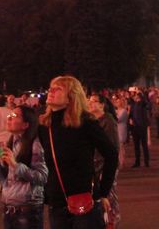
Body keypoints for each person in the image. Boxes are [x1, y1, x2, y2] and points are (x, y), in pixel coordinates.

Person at [39, 75, 118, 229]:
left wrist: (103, 191)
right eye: (51, 88)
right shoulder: (44, 125)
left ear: (71, 97)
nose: (51, 91)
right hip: (56, 202)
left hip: (84, 199)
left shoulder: (85, 122)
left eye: (58, 89)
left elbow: (111, 154)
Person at [0, 105, 47, 229]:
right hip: (9, 207)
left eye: (14, 116)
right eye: (10, 115)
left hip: (27, 210)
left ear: (26, 124)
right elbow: (4, 179)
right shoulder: (12, 142)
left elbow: (42, 177)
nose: (9, 118)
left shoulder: (35, 144)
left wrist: (15, 165)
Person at [88, 94, 121, 228]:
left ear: (102, 105)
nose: (91, 104)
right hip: (94, 165)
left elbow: (112, 148)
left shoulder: (107, 120)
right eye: (89, 101)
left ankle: (113, 223)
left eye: (94, 102)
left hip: (105, 165)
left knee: (108, 196)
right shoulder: (91, 120)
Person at [128, 91, 150, 168]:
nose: (136, 98)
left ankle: (146, 162)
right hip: (135, 127)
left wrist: (141, 95)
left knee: (144, 145)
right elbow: (130, 115)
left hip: (142, 127)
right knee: (136, 146)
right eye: (135, 97)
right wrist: (130, 119)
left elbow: (146, 103)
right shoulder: (133, 105)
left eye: (137, 97)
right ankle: (137, 161)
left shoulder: (142, 104)